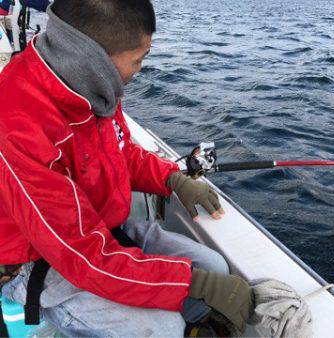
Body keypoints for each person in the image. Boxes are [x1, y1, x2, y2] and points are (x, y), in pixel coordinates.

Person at [0, 0, 254, 336]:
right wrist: (191, 285)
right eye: (138, 59)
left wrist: (172, 178)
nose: (139, 69)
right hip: (38, 264)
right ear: (96, 58)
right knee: (164, 328)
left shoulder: (92, 86)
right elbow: (81, 256)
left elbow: (123, 152)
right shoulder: (18, 124)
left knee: (215, 266)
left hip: (102, 231)